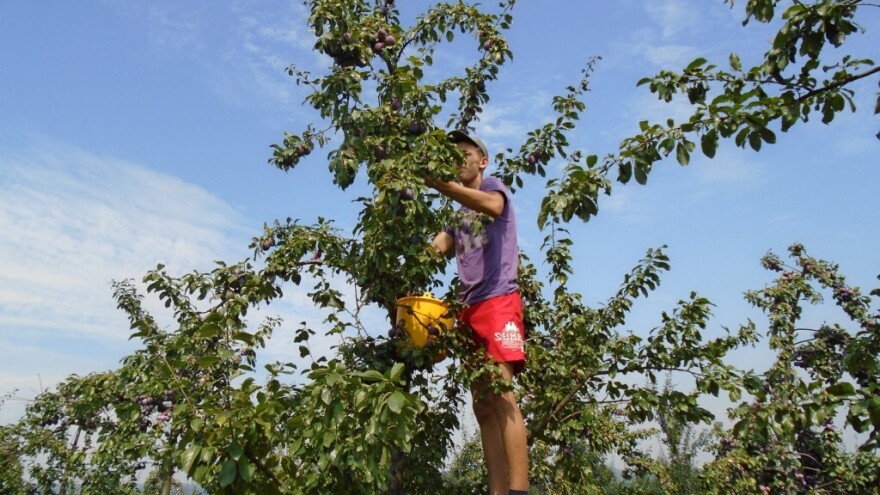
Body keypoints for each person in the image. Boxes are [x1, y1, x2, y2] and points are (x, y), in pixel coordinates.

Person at [428, 130, 529, 495]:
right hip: (469, 310)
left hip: (499, 300)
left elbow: (495, 207)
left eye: (465, 153)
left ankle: (519, 489)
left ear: (482, 160)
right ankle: (497, 490)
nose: (459, 159)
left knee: (501, 394)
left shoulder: (493, 188)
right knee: (482, 405)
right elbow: (437, 247)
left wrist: (441, 185)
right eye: (452, 155)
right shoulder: (458, 215)